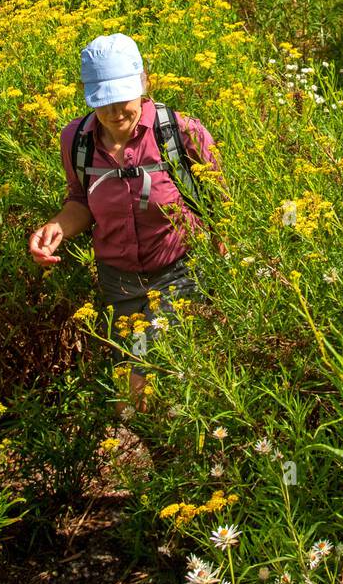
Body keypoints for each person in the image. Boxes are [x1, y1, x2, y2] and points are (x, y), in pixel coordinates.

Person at [28, 33, 227, 414]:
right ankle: (165, 463)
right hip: (119, 283)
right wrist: (55, 230)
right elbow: (80, 202)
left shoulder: (181, 133)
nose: (115, 111)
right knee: (129, 398)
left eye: (123, 97)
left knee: (149, 379)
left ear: (144, 82)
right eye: (103, 100)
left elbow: (223, 208)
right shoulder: (76, 139)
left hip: (179, 272)